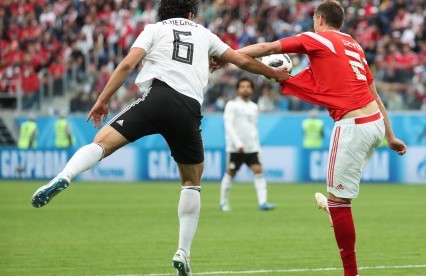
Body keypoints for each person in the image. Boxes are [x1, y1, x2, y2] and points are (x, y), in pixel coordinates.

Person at [30, 1, 289, 276]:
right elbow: (242, 60)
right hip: (189, 109)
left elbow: (128, 63)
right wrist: (274, 74)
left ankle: (65, 176)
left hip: (158, 98)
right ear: (191, 13)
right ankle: (183, 253)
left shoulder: (153, 29)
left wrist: (102, 100)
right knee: (191, 181)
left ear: (163, 13)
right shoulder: (204, 33)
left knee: (101, 143)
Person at [234, 1, 408, 275]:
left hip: (353, 124)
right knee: (339, 199)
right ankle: (332, 208)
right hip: (374, 121)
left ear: (319, 19)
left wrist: (226, 55)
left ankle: (350, 271)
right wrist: (390, 135)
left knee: (340, 203)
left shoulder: (318, 38)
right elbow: (373, 92)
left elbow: (268, 48)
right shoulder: (354, 45)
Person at [220, 77, 275, 212]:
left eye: (248, 86)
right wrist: (237, 143)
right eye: (242, 86)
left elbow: (254, 128)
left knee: (258, 171)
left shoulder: (254, 107)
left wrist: (258, 148)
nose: (245, 89)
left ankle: (263, 202)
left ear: (252, 89)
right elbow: (228, 125)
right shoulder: (232, 105)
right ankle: (223, 203)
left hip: (251, 147)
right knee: (230, 172)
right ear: (238, 89)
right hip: (235, 148)